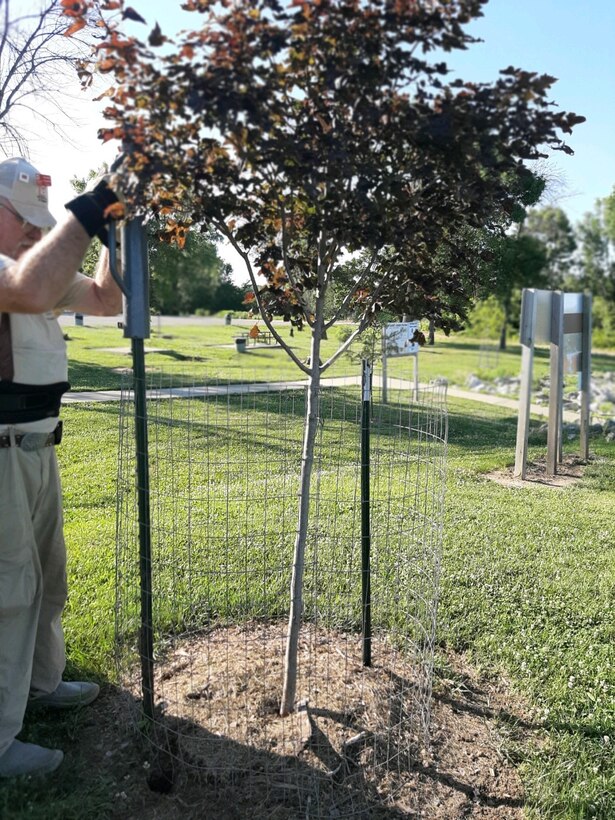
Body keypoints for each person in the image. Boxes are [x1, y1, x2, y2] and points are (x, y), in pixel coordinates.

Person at [0, 157, 123, 777]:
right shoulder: (15, 275)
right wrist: (93, 207)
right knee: (8, 592)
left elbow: (105, 300)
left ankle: (41, 686)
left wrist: (117, 231)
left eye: (36, 222)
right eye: (21, 219)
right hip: (1, 454)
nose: (31, 231)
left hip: (38, 444)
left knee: (46, 580)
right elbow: (30, 290)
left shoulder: (29, 266)